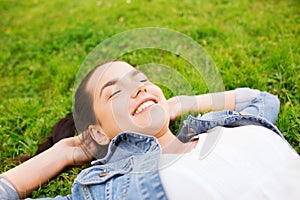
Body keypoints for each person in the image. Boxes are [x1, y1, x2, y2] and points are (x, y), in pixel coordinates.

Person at [1, 61, 300, 199]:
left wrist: (180, 104)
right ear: (99, 133)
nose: (139, 89)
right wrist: (67, 150)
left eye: (140, 79)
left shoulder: (217, 127)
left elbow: (261, 100)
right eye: (115, 92)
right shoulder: (109, 191)